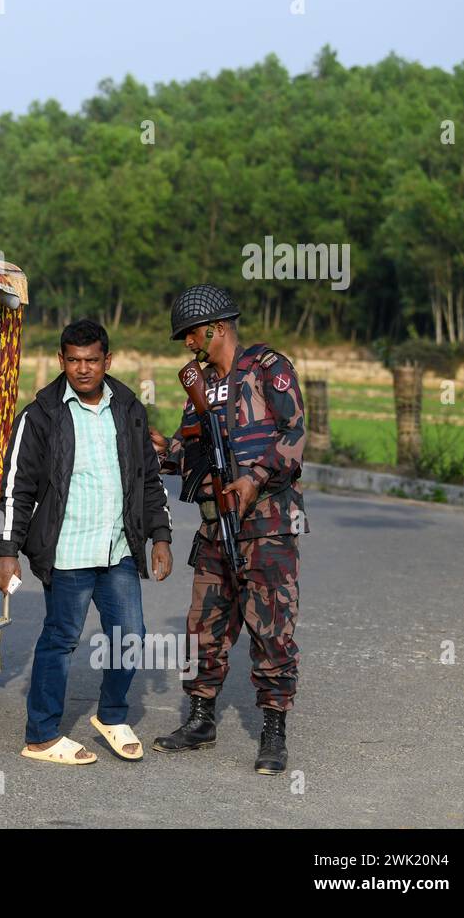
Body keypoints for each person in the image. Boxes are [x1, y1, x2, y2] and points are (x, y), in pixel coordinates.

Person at [0, 320, 173, 765]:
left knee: (130, 636)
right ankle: (41, 736)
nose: (83, 369)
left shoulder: (128, 408)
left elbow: (147, 477)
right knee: (61, 640)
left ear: (106, 360)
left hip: (118, 548)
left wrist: (160, 536)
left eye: (92, 360)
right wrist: (7, 550)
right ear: (62, 361)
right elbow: (16, 487)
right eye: (73, 360)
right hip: (68, 550)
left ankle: (111, 716)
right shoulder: (40, 415)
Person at [149, 284, 306, 774]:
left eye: (191, 335)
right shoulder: (199, 384)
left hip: (266, 528)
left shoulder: (268, 368)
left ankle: (273, 732)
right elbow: (189, 450)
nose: (188, 345)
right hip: (216, 528)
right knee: (204, 626)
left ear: (214, 328)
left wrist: (255, 478)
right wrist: (162, 450)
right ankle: (201, 719)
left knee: (271, 627)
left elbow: (295, 435)